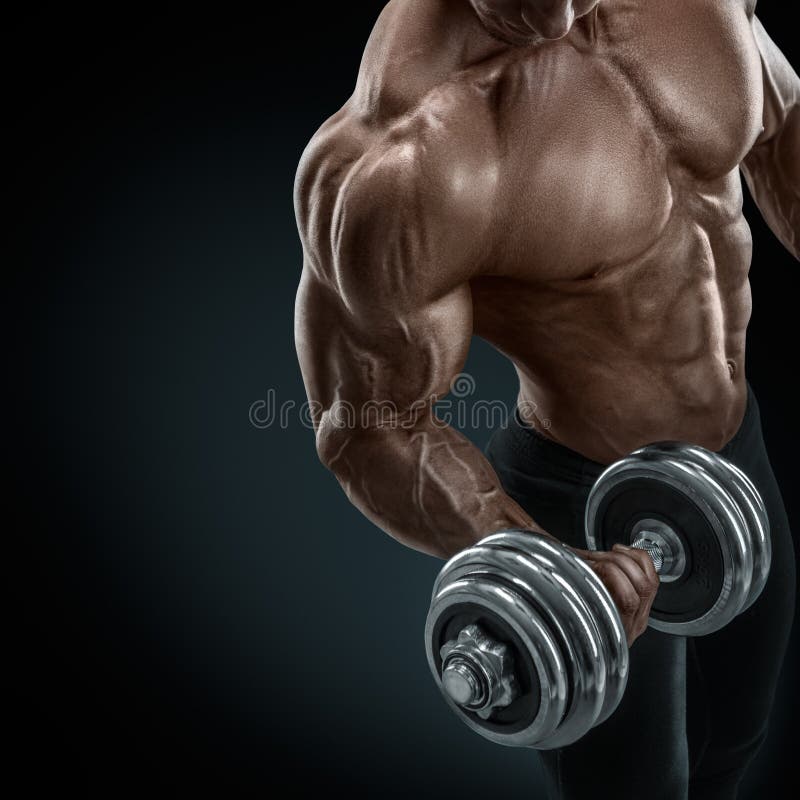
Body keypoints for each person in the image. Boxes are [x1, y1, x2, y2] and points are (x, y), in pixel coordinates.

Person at [293, 1, 798, 797]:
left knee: (740, 727)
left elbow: (778, 113)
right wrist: (543, 560)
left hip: (739, 453)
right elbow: (369, 425)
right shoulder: (409, 157)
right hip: (577, 503)